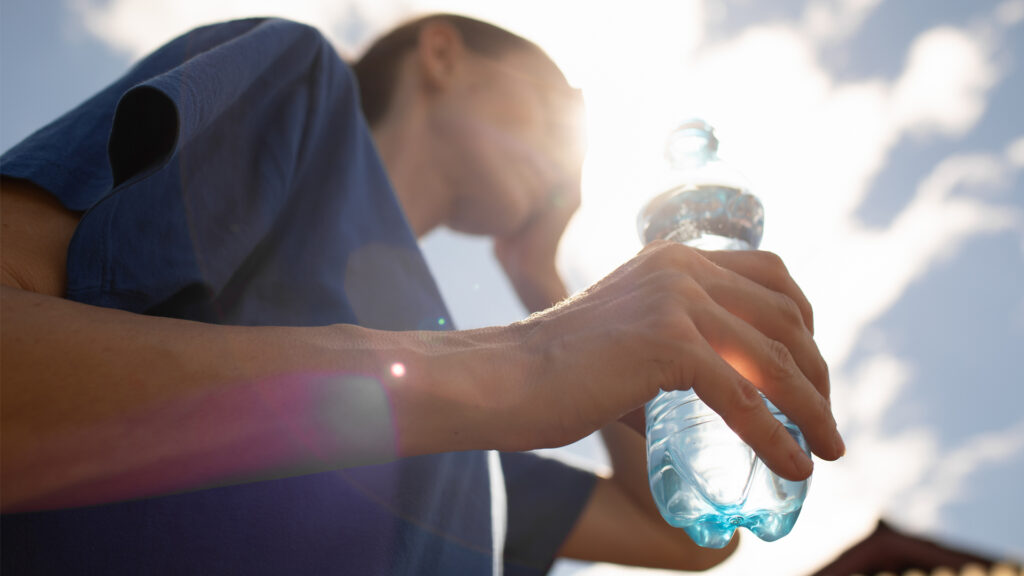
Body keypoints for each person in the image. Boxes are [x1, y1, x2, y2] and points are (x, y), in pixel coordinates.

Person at [0, 13, 843, 575]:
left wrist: (540, 280)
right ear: (441, 56)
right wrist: (525, 359)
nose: (568, 160)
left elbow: (686, 538)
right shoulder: (299, 90)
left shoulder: (465, 438)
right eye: (553, 110)